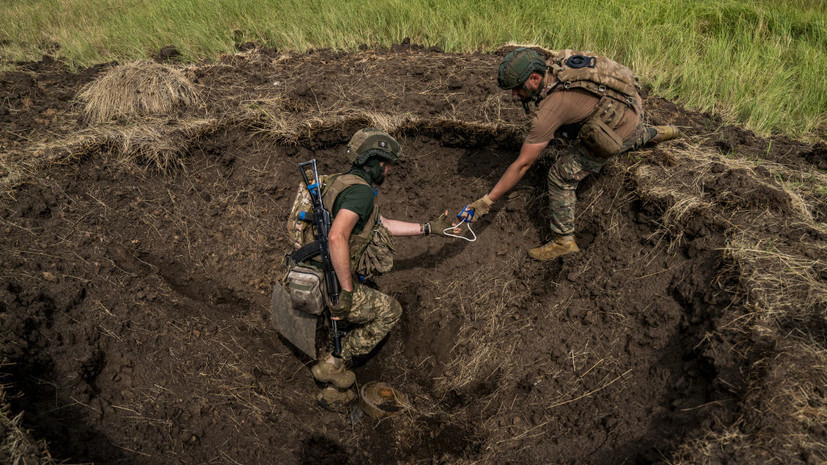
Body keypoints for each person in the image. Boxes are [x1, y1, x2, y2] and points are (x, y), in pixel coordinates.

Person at [462, 47, 680, 261]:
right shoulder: (559, 64)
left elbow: (522, 164)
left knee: (560, 175)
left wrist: (486, 202)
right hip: (631, 104)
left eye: (518, 88)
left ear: (535, 78)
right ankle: (656, 132)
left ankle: (563, 241)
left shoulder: (550, 110)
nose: (514, 94)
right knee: (626, 132)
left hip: (619, 126)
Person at [306, 128, 457, 410]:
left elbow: (381, 224)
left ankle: (333, 373)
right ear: (374, 163)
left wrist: (427, 228)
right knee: (391, 311)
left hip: (309, 273)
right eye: (387, 165)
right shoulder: (361, 193)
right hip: (331, 282)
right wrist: (347, 292)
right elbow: (337, 236)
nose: (388, 171)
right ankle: (334, 363)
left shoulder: (339, 182)